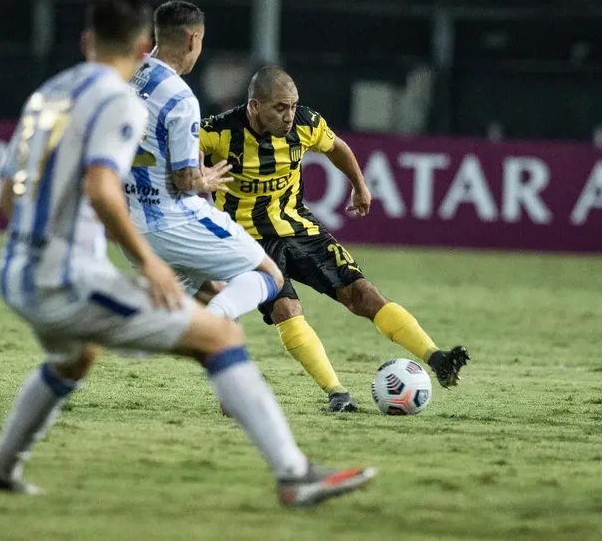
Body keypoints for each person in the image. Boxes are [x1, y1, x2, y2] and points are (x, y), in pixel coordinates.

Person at [0, 0, 375, 507]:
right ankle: (294, 475)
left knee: (72, 361)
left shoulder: (49, 92)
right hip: (69, 277)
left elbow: (8, 192)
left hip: (17, 269)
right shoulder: (126, 99)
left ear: (87, 40)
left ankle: (2, 471)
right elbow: (102, 188)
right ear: (144, 42)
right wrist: (150, 264)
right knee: (221, 338)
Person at [199, 65, 470, 412]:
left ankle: (436, 357)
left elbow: (337, 147)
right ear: (255, 107)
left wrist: (360, 185)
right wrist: (197, 173)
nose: (288, 115)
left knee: (362, 293)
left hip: (300, 228)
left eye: (293, 106)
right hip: (248, 243)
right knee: (287, 308)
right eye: (280, 107)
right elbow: (182, 150)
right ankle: (337, 392)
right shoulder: (219, 131)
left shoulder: (306, 124)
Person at [124, 0, 285, 325]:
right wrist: (204, 180)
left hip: (128, 221)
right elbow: (185, 181)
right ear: (192, 39)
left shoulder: (128, 75)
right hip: (171, 221)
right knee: (268, 275)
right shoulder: (180, 98)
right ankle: (204, 330)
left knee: (217, 293)